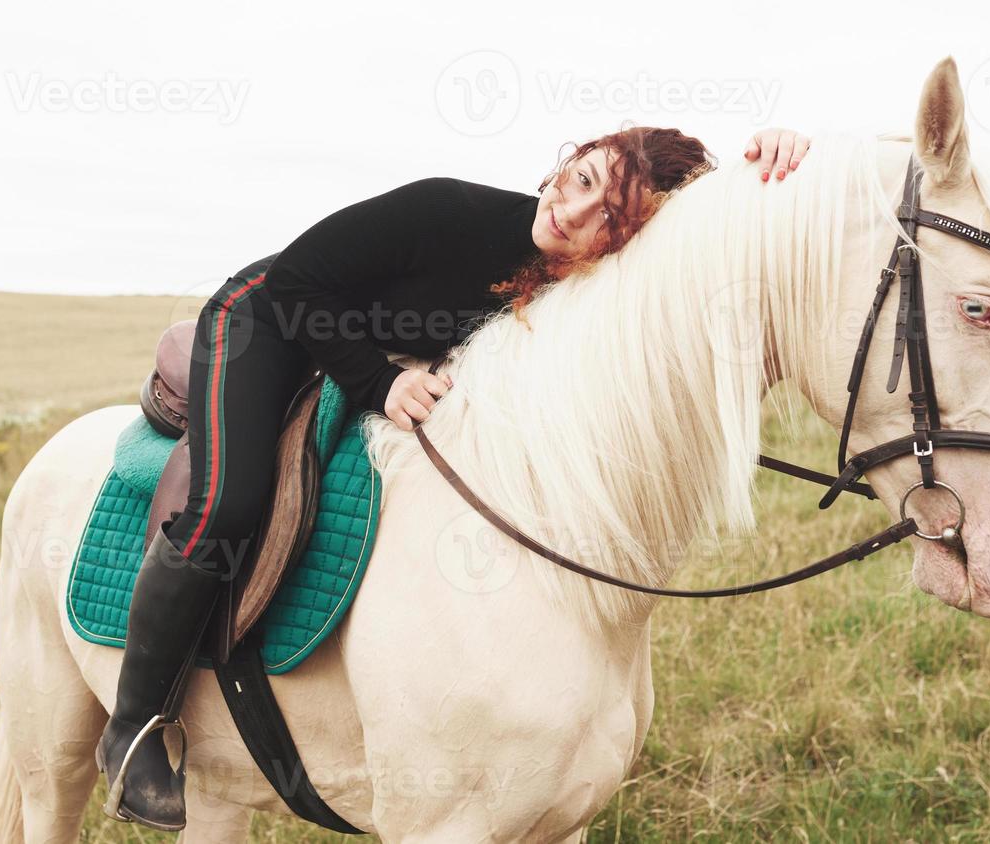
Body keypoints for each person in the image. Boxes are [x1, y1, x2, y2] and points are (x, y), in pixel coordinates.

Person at [95, 125, 812, 830]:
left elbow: (699, 247)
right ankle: (133, 729)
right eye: (582, 178)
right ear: (566, 162)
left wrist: (767, 164)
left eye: (609, 219)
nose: (572, 213)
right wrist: (378, 385)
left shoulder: (578, 292)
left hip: (372, 346)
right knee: (230, 500)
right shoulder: (448, 210)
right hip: (268, 321)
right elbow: (294, 282)